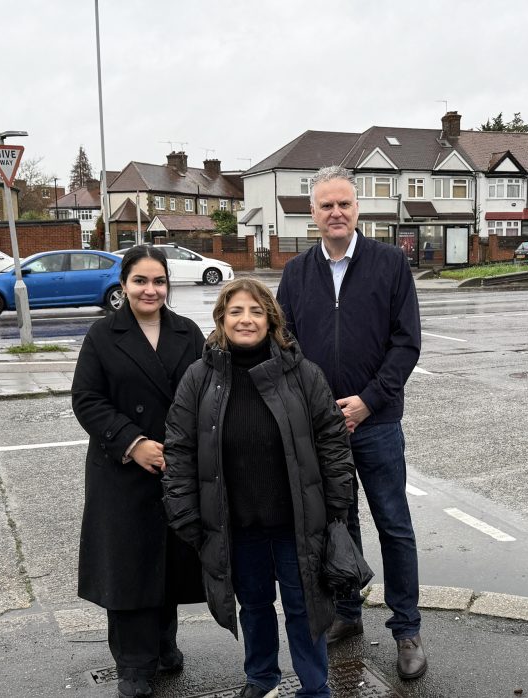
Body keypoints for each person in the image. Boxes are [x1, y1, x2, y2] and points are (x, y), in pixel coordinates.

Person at [162, 278, 355, 698]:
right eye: (236, 312)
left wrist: (338, 508)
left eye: (255, 311)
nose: (245, 320)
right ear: (221, 320)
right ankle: (261, 678)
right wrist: (186, 514)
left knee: (305, 606)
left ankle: (314, 685)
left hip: (297, 522)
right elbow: (179, 449)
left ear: (271, 318)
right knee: (253, 606)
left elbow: (332, 441)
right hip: (236, 524)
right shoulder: (199, 378)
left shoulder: (303, 374)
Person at [276, 165, 426, 679]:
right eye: (326, 206)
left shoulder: (389, 264)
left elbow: (406, 343)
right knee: (339, 525)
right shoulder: (296, 274)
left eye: (344, 204)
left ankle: (407, 629)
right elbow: (284, 345)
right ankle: (348, 613)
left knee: (394, 525)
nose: (336, 213)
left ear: (357, 209)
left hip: (378, 422)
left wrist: (367, 400)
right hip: (324, 428)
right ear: (312, 213)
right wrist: (319, 407)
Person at [71, 245, 205, 698]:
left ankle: (165, 646)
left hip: (176, 466)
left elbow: (210, 391)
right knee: (128, 569)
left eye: (158, 281)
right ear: (124, 284)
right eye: (140, 281)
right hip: (121, 470)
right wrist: (134, 443)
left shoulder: (188, 331)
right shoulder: (103, 335)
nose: (150, 290)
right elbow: (87, 399)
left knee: (169, 562)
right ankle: (133, 666)